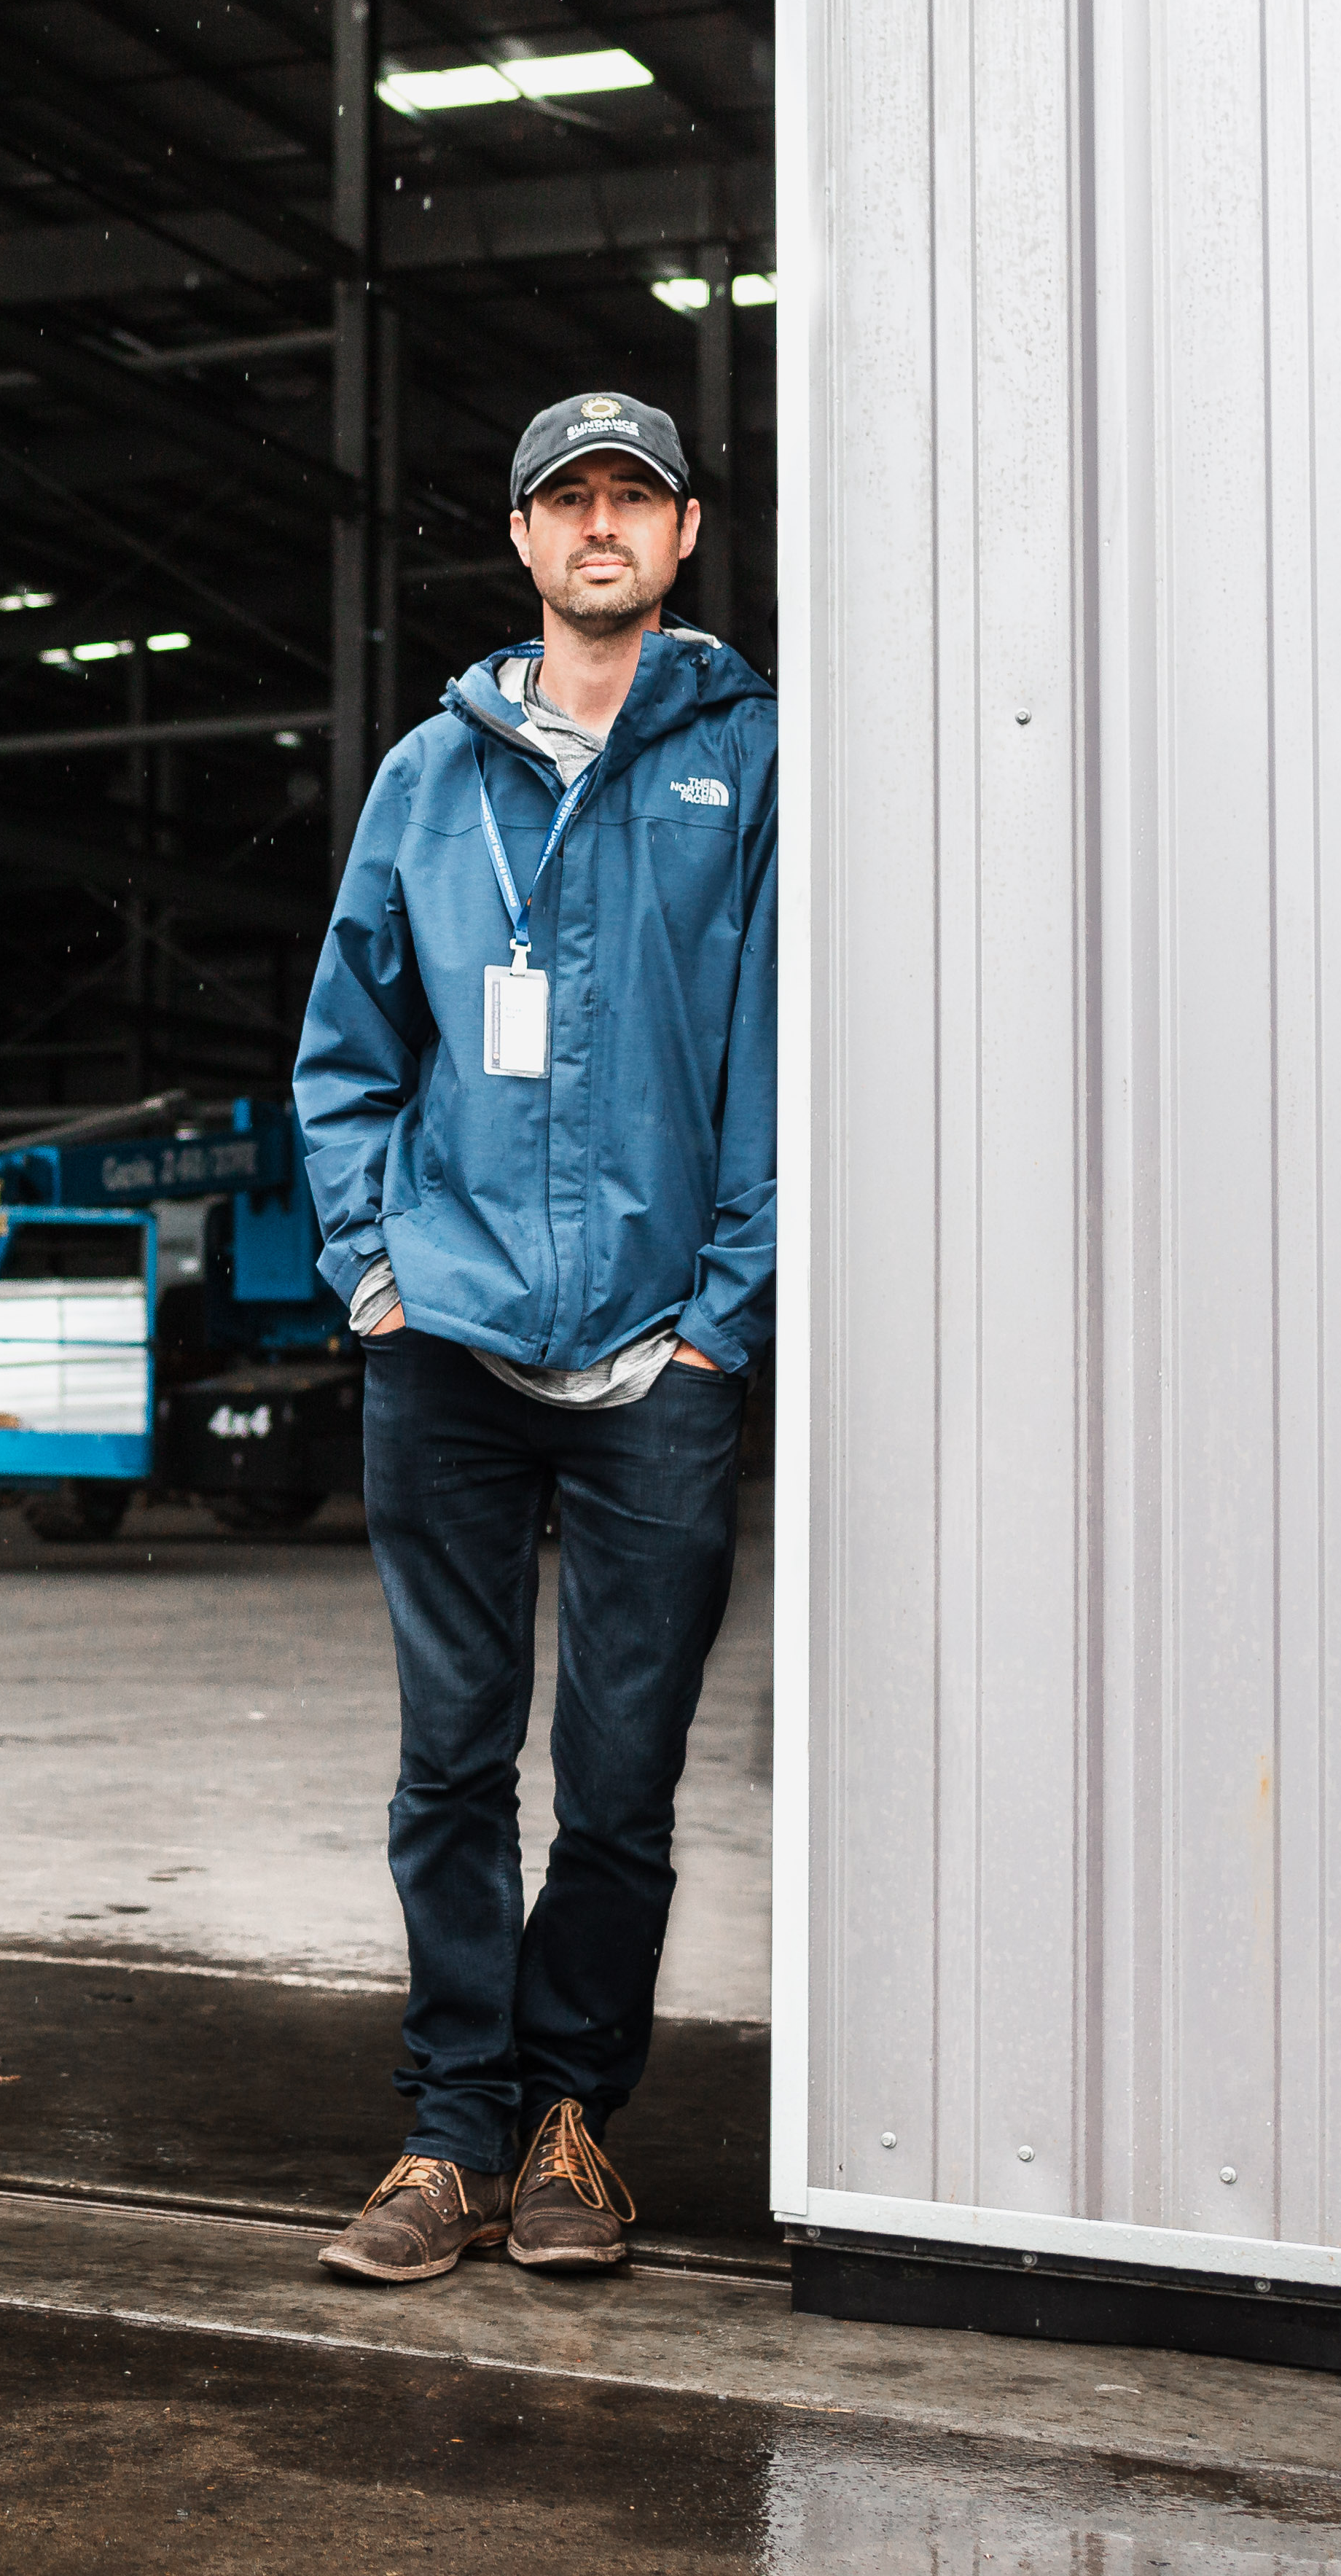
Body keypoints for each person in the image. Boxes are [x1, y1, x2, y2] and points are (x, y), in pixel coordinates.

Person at [291, 390, 777, 2282]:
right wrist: (373, 1274)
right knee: (447, 1763)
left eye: (628, 499)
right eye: (561, 497)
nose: (595, 525)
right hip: (452, 1347)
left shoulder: (746, 762)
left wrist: (724, 1316)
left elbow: (770, 1068)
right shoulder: (429, 775)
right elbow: (347, 1049)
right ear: (517, 541)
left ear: (679, 537)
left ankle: (572, 2123)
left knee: (625, 1773)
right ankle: (447, 2133)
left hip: (660, 1349)